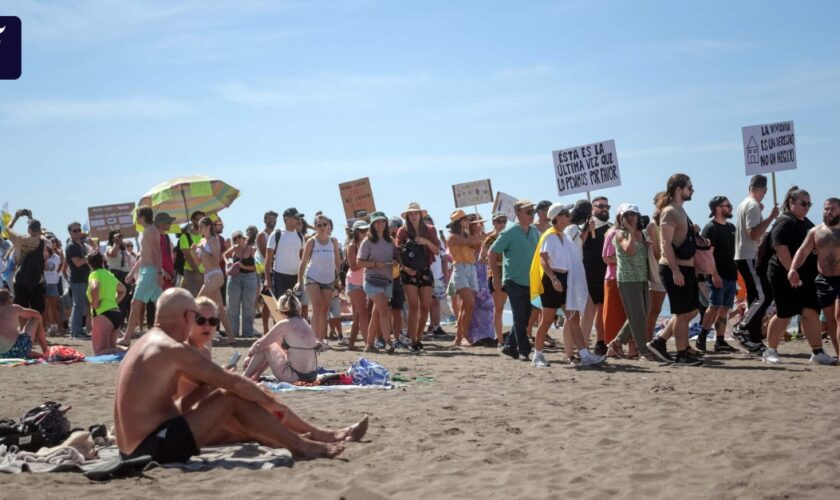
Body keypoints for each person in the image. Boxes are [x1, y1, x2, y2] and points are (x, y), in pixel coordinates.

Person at [114, 287, 367, 463]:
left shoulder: (146, 342)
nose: (200, 326)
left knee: (236, 395)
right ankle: (304, 445)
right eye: (196, 318)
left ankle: (309, 439)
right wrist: (268, 402)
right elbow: (232, 384)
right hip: (151, 447)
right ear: (186, 316)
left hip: (138, 445)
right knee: (232, 396)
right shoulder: (172, 348)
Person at [762, 188, 834, 365]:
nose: (807, 207)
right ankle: (770, 350)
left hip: (806, 276)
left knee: (810, 311)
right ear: (792, 203)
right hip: (783, 274)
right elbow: (781, 249)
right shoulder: (784, 222)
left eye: (809, 204)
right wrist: (791, 272)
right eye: (803, 203)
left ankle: (817, 352)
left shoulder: (807, 223)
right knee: (784, 312)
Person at [531, 203, 604, 367]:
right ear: (557, 217)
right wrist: (553, 279)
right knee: (547, 319)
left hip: (564, 279)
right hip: (552, 280)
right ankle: (538, 355)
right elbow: (543, 259)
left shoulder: (563, 236)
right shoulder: (550, 235)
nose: (568, 215)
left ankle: (584, 354)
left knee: (573, 318)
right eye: (565, 213)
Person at [646, 174, 703, 366]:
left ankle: (660, 341)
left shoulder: (680, 211)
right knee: (681, 313)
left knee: (691, 310)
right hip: (675, 268)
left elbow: (678, 238)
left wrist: (692, 232)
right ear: (679, 189)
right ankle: (681, 353)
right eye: (689, 187)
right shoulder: (670, 211)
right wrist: (675, 270)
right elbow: (665, 243)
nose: (692, 190)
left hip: (686, 267)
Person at [733, 174, 779, 352]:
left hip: (743, 255)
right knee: (764, 296)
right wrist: (770, 217)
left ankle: (753, 337)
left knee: (755, 296)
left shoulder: (745, 204)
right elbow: (753, 234)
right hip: (747, 255)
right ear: (765, 190)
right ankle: (742, 327)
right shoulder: (752, 206)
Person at [490, 200, 540, 361]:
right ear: (518, 213)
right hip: (513, 281)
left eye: (533, 211)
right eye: (529, 211)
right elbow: (492, 252)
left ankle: (510, 345)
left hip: (530, 281)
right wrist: (496, 277)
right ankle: (524, 350)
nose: (532, 215)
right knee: (519, 317)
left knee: (524, 318)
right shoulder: (509, 232)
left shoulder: (534, 231)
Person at [789, 197, 840, 357]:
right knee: (830, 321)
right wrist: (793, 268)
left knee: (839, 317)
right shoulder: (815, 231)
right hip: (824, 280)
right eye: (825, 209)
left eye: (832, 208)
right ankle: (838, 355)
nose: (828, 212)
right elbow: (802, 251)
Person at [605, 204, 656, 360]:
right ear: (620, 218)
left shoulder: (643, 234)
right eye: (626, 215)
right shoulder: (620, 234)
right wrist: (632, 232)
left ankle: (617, 342)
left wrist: (647, 244)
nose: (630, 217)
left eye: (633, 214)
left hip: (641, 278)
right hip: (627, 279)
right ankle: (642, 350)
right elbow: (630, 250)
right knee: (638, 316)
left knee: (642, 314)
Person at [244, 290, 320, 383]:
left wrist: (249, 354)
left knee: (267, 346)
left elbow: (260, 344)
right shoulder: (303, 321)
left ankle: (245, 377)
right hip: (312, 376)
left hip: (295, 376)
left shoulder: (285, 324)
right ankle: (255, 376)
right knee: (273, 347)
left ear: (280, 309)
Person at [396, 203, 441, 353]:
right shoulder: (402, 231)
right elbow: (397, 253)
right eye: (411, 214)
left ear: (421, 214)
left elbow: (437, 251)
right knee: (413, 306)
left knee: (426, 306)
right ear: (408, 216)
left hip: (425, 269)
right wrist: (405, 268)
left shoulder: (430, 230)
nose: (413, 216)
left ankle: (418, 338)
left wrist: (426, 241)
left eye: (416, 213)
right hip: (409, 271)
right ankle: (413, 339)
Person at [696, 196, 739, 353]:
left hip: (731, 273)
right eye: (728, 205)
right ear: (717, 208)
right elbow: (708, 255)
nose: (731, 208)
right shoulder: (710, 228)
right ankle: (702, 336)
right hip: (716, 274)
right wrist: (714, 274)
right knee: (713, 306)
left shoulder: (731, 227)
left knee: (725, 309)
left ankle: (720, 341)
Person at [120, 207, 163, 347]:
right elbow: (143, 256)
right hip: (147, 270)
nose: (136, 219)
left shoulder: (151, 230)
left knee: (135, 303)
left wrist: (159, 273)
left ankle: (127, 338)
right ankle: (170, 334)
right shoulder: (146, 231)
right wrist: (132, 272)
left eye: (137, 216)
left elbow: (158, 253)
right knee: (160, 305)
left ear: (143, 217)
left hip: (150, 271)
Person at [297, 214, 341, 346]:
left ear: (329, 226)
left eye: (324, 224)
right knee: (316, 307)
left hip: (328, 279)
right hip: (312, 277)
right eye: (319, 225)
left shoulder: (333, 241)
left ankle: (321, 340)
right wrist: (299, 281)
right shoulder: (311, 241)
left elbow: (337, 262)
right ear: (315, 227)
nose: (322, 227)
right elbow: (303, 262)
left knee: (325, 309)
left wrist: (337, 278)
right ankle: (314, 340)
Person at [191, 217, 236, 344]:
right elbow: (198, 262)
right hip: (208, 276)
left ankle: (191, 334)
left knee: (197, 303)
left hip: (215, 275)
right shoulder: (202, 241)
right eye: (198, 227)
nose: (199, 229)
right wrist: (194, 252)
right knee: (220, 311)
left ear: (208, 227)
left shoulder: (214, 240)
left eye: (202, 226)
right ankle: (231, 338)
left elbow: (216, 260)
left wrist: (203, 249)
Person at [358, 212, 398, 353]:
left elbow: (396, 258)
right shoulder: (367, 241)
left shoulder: (390, 240)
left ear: (386, 223)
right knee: (384, 311)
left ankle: (369, 345)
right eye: (377, 222)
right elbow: (359, 262)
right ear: (372, 224)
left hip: (387, 280)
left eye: (382, 221)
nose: (380, 224)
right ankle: (388, 342)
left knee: (377, 314)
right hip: (371, 280)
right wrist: (375, 264)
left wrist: (394, 262)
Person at [581, 196, 612, 356]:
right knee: (589, 311)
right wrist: (586, 230)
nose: (604, 209)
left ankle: (601, 341)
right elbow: (578, 246)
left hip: (607, 274)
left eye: (607, 206)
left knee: (604, 309)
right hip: (589, 274)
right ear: (592, 208)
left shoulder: (612, 228)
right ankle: (583, 346)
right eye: (600, 206)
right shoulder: (583, 226)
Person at [447, 209, 483, 347]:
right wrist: (480, 234)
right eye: (466, 219)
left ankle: (459, 337)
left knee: (466, 306)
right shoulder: (453, 237)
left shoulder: (466, 235)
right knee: (469, 304)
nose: (468, 221)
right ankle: (464, 336)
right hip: (460, 269)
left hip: (470, 268)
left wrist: (479, 234)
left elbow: (477, 245)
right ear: (459, 222)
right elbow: (472, 241)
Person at [5, 210, 47, 314]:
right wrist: (30, 217)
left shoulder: (19, 239)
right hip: (37, 280)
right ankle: (36, 329)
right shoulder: (43, 240)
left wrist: (16, 217)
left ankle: (23, 330)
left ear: (28, 230)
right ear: (39, 230)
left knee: (21, 309)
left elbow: (8, 228)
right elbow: (36, 230)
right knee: (37, 311)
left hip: (21, 279)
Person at [86, 251, 127, 355]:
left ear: (89, 264)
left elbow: (94, 287)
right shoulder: (109, 274)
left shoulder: (94, 274)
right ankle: (128, 351)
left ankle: (128, 352)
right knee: (111, 349)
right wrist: (114, 302)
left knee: (100, 352)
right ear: (103, 261)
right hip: (116, 314)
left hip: (103, 315)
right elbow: (123, 290)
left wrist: (95, 305)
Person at [481, 212, 509, 347]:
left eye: (504, 221)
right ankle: (500, 340)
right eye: (499, 221)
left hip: (509, 274)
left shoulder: (509, 236)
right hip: (496, 274)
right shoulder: (490, 239)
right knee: (499, 308)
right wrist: (492, 265)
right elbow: (482, 256)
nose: (502, 224)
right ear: (494, 223)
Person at [467, 215, 496, 345]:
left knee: (488, 303)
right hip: (474, 270)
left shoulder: (485, 237)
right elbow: (474, 243)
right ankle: (476, 335)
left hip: (484, 270)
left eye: (480, 223)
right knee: (476, 303)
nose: (479, 225)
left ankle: (488, 334)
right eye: (475, 223)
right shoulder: (469, 238)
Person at [265, 208, 305, 301]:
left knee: (295, 307)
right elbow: (268, 258)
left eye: (299, 218)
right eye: (296, 218)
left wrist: (301, 278)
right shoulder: (276, 234)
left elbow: (303, 258)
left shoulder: (300, 236)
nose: (298, 220)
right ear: (286, 218)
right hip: (280, 277)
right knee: (283, 307)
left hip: (296, 278)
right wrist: (267, 278)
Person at [225, 229, 259, 338]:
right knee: (232, 306)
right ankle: (233, 332)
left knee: (248, 306)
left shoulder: (253, 250)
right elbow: (224, 255)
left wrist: (243, 266)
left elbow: (257, 267)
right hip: (235, 278)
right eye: (235, 238)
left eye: (239, 237)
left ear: (244, 238)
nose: (237, 240)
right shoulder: (234, 249)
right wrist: (228, 263)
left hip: (250, 278)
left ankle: (247, 333)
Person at [0, 289, 48, 358]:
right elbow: (37, 314)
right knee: (36, 319)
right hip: (18, 348)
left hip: (1, 355)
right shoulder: (14, 308)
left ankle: (33, 353)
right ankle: (46, 351)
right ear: (9, 299)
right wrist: (40, 325)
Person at [344, 220, 370, 351]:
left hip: (366, 282)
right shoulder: (352, 245)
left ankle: (351, 343)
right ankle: (368, 344)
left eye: (366, 230)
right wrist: (369, 262)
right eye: (362, 230)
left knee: (360, 315)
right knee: (363, 313)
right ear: (356, 232)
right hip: (354, 282)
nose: (365, 232)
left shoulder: (369, 244)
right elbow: (353, 266)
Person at [66, 221, 91, 340]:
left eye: (79, 230)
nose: (78, 232)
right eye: (74, 230)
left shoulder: (80, 244)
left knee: (81, 306)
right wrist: (89, 256)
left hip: (83, 279)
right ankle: (76, 332)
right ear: (70, 233)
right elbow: (78, 263)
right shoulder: (71, 246)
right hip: (77, 280)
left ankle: (78, 331)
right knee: (78, 306)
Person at [256, 211, 278, 333]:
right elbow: (266, 254)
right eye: (270, 218)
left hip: (277, 270)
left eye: (274, 219)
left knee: (276, 302)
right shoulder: (262, 235)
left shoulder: (276, 234)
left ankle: (276, 329)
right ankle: (265, 330)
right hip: (266, 272)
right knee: (267, 302)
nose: (272, 221)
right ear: (264, 220)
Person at [106, 230, 132, 321]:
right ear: (112, 238)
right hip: (115, 273)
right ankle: (113, 323)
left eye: (121, 236)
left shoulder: (123, 249)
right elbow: (113, 254)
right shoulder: (109, 247)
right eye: (118, 236)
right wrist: (116, 242)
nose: (121, 238)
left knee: (124, 302)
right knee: (116, 299)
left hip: (125, 274)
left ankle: (119, 325)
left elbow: (128, 263)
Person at [179, 211, 206, 297]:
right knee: (194, 299)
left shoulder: (205, 236)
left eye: (203, 220)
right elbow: (188, 257)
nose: (201, 222)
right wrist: (198, 272)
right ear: (193, 220)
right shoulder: (185, 236)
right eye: (198, 219)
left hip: (205, 272)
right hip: (191, 272)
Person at [43, 241, 63, 335]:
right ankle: (44, 330)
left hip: (53, 283)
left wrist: (57, 275)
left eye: (47, 247)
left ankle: (60, 329)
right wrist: (44, 259)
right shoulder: (40, 257)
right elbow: (45, 269)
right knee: (45, 308)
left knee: (55, 307)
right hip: (43, 284)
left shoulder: (56, 257)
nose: (46, 249)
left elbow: (59, 267)